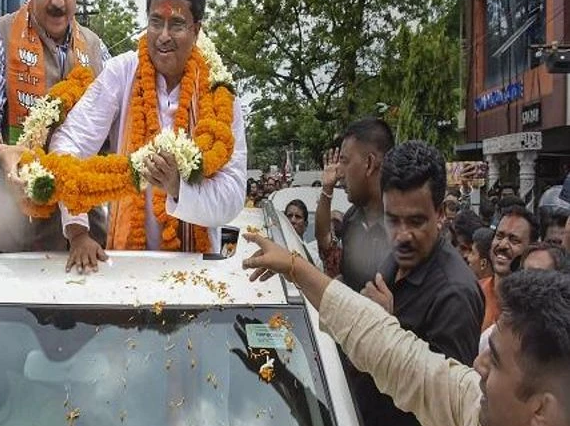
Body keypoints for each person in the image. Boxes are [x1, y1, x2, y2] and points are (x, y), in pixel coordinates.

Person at [243, 232, 570, 426]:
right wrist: (294, 267)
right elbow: (396, 354)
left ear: (541, 409)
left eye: (495, 361)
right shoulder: (473, 405)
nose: (477, 365)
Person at [48, 0, 247, 272]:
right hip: (126, 266)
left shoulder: (219, 92)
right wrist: (78, 230)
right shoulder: (122, 72)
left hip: (195, 271)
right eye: (156, 22)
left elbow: (233, 194)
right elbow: (69, 143)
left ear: (196, 30)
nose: (163, 36)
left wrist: (179, 187)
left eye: (177, 24)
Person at [339, 140, 483, 426]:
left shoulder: (455, 296)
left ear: (440, 213)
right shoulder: (396, 261)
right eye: (393, 220)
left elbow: (444, 408)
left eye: (416, 221)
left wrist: (386, 330)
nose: (402, 235)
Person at [0, 0, 110, 254]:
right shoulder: (0, 35)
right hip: (22, 234)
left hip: (89, 236)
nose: (59, 2)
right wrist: (1, 152)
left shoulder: (96, 49)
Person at [316, 118, 394, 290]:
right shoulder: (352, 217)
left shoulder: (403, 228)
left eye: (344, 161)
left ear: (370, 164)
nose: (339, 173)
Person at [481, 204, 539, 331]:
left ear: (531, 249)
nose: (502, 245)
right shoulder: (475, 293)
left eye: (514, 240)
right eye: (499, 236)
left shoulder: (536, 306)